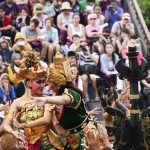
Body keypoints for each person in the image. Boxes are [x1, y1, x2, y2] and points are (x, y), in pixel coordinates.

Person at [26, 52, 101, 150]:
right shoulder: (55, 96)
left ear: (58, 85)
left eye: (51, 84)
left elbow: (65, 100)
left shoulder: (72, 93)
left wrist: (46, 99)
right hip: (71, 138)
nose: (49, 87)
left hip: (86, 135)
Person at [3, 51, 63, 150]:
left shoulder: (47, 99)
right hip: (29, 144)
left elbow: (46, 120)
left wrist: (23, 125)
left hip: (48, 144)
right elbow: (6, 124)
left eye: (44, 81)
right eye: (38, 82)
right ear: (28, 83)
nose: (43, 85)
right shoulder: (18, 102)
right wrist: (13, 132)